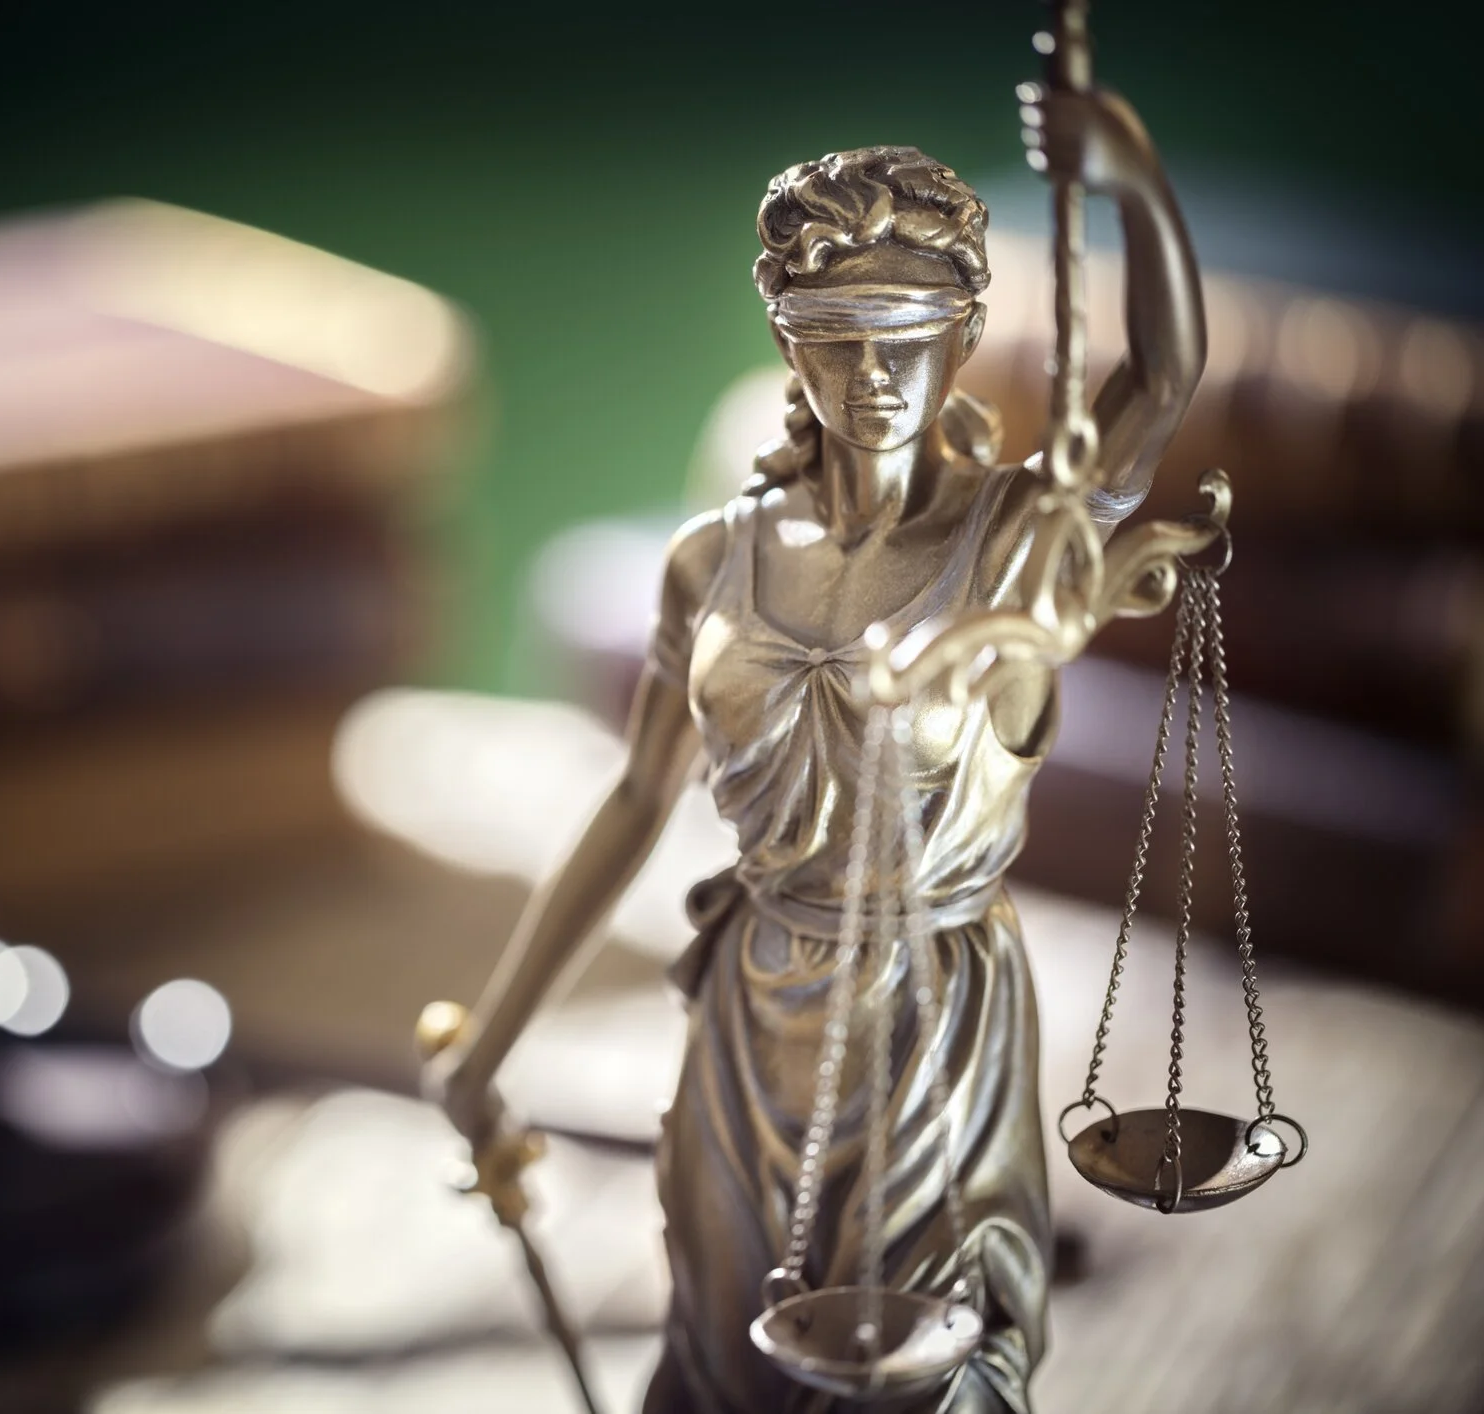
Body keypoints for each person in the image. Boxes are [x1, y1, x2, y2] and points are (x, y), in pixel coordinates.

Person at [430, 87, 1206, 1414]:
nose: (873, 375)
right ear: (786, 341)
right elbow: (634, 799)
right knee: (725, 1362)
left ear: (966, 338)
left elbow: (1163, 380)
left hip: (932, 1026)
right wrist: (489, 1045)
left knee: (925, 1374)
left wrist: (1128, 174)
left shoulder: (1017, 541)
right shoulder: (712, 559)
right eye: (836, 339)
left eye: (908, 338)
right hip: (752, 1027)